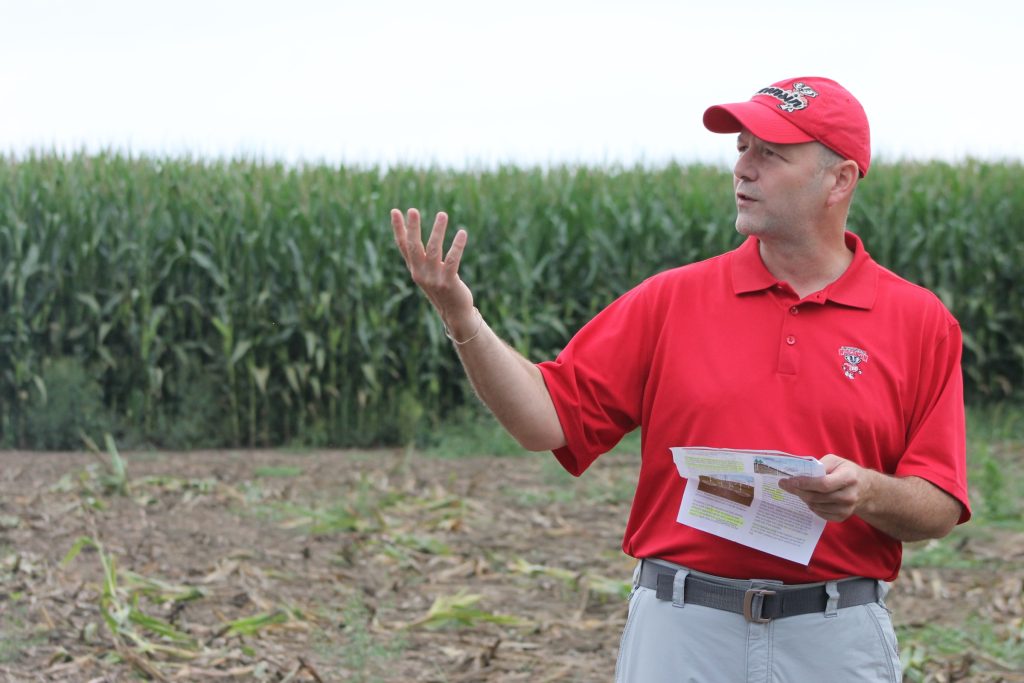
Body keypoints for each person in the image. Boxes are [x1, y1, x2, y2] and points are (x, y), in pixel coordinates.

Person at [390, 76, 970, 682]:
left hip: (835, 637)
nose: (744, 168)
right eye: (742, 148)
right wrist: (463, 317)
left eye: (770, 153)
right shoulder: (670, 301)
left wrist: (866, 493)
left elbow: (938, 505)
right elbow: (544, 420)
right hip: (682, 633)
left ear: (840, 179)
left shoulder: (918, 322)